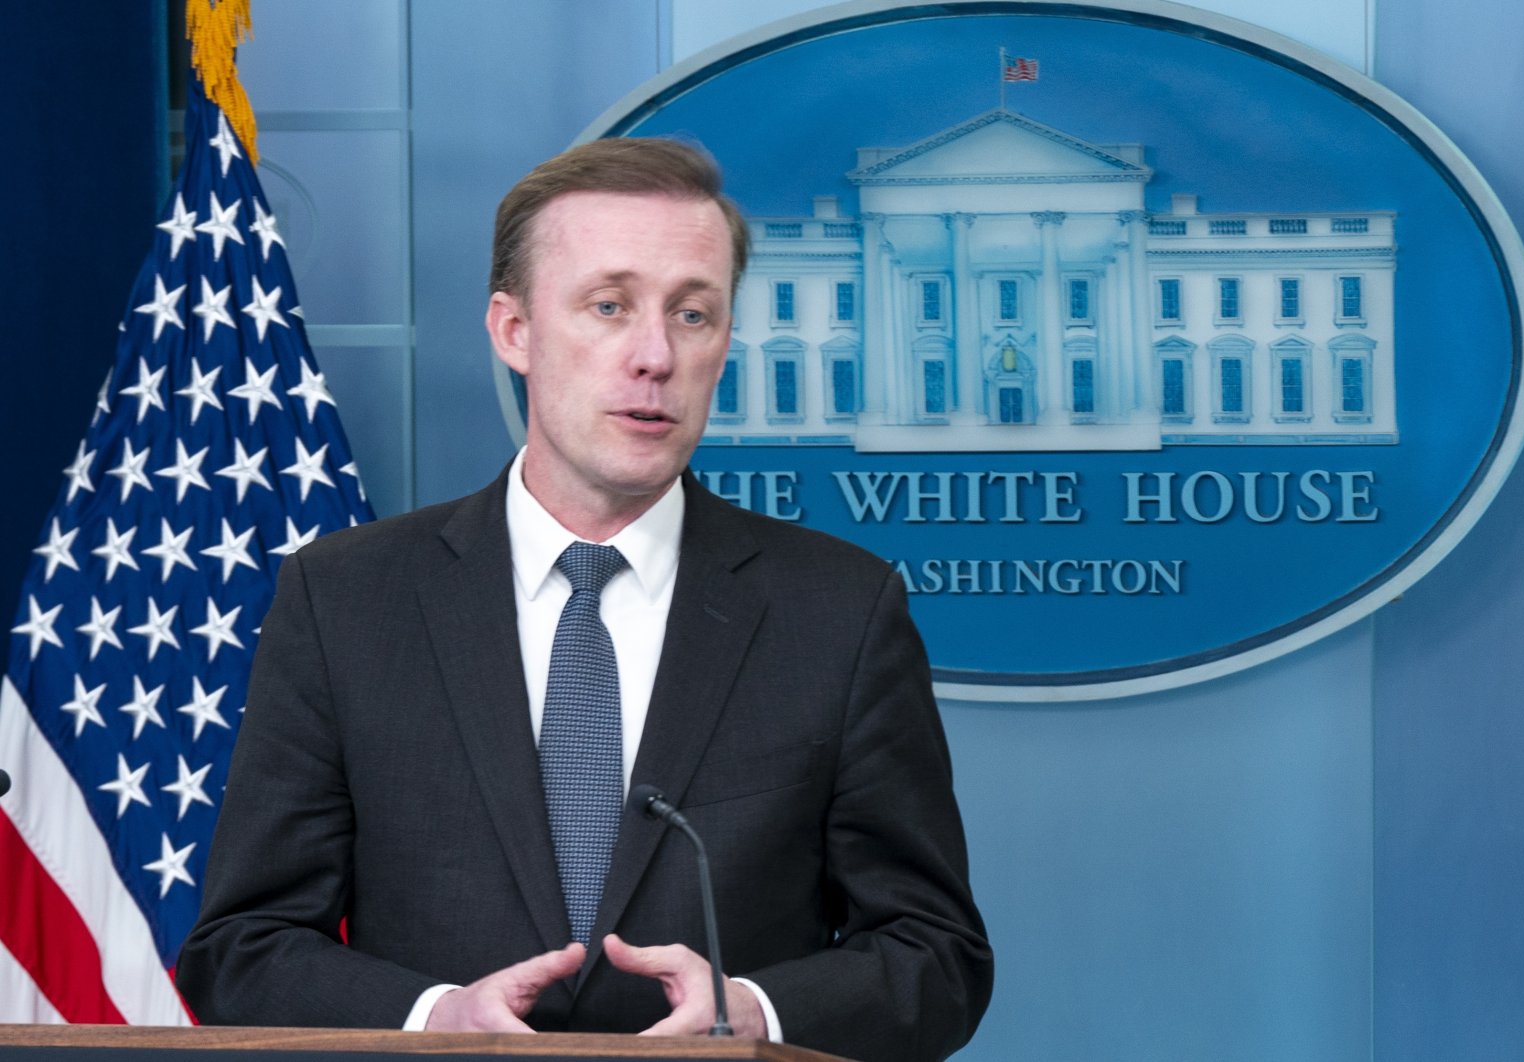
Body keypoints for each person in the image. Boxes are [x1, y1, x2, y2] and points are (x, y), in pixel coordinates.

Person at [177, 137, 992, 1062]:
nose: (655, 356)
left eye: (694, 314)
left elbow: (937, 956)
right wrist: (435, 1019)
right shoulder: (347, 598)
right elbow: (241, 950)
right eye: (609, 306)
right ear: (513, 330)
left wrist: (755, 1011)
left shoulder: (840, 611)